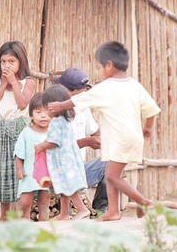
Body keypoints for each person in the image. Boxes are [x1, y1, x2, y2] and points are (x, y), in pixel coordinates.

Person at [48, 41, 161, 221]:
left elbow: (79, 100)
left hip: (119, 138)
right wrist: (147, 128)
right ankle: (113, 211)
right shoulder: (134, 85)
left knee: (112, 176)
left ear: (109, 65)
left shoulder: (106, 87)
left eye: (100, 67)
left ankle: (142, 201)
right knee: (110, 174)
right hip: (132, 137)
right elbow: (152, 109)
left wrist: (60, 104)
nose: (100, 71)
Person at [0, 41, 36, 221]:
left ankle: (22, 215)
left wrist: (13, 82)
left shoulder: (27, 81)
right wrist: (3, 83)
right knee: (2, 173)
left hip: (19, 130)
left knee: (20, 171)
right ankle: (4, 215)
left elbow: (22, 103)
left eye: (11, 61)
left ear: (21, 62)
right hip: (0, 128)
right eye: (3, 61)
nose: (6, 65)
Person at [52, 68, 108, 211]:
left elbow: (96, 132)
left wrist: (100, 139)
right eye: (80, 94)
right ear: (68, 91)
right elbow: (55, 148)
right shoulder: (52, 111)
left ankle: (102, 210)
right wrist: (86, 142)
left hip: (79, 170)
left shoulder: (82, 108)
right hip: (57, 174)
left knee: (111, 163)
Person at [36, 85, 91, 220]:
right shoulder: (65, 120)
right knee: (64, 188)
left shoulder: (56, 122)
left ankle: (82, 209)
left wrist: (41, 146)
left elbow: (54, 142)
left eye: (46, 107)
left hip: (63, 162)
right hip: (69, 160)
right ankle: (64, 213)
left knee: (69, 187)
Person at [14, 92, 50, 221]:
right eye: (38, 112)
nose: (43, 116)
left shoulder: (53, 132)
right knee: (25, 201)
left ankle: (44, 223)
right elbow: (18, 153)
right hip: (28, 172)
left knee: (44, 200)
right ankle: (23, 222)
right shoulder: (26, 132)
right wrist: (19, 169)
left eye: (47, 112)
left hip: (47, 173)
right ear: (31, 115)